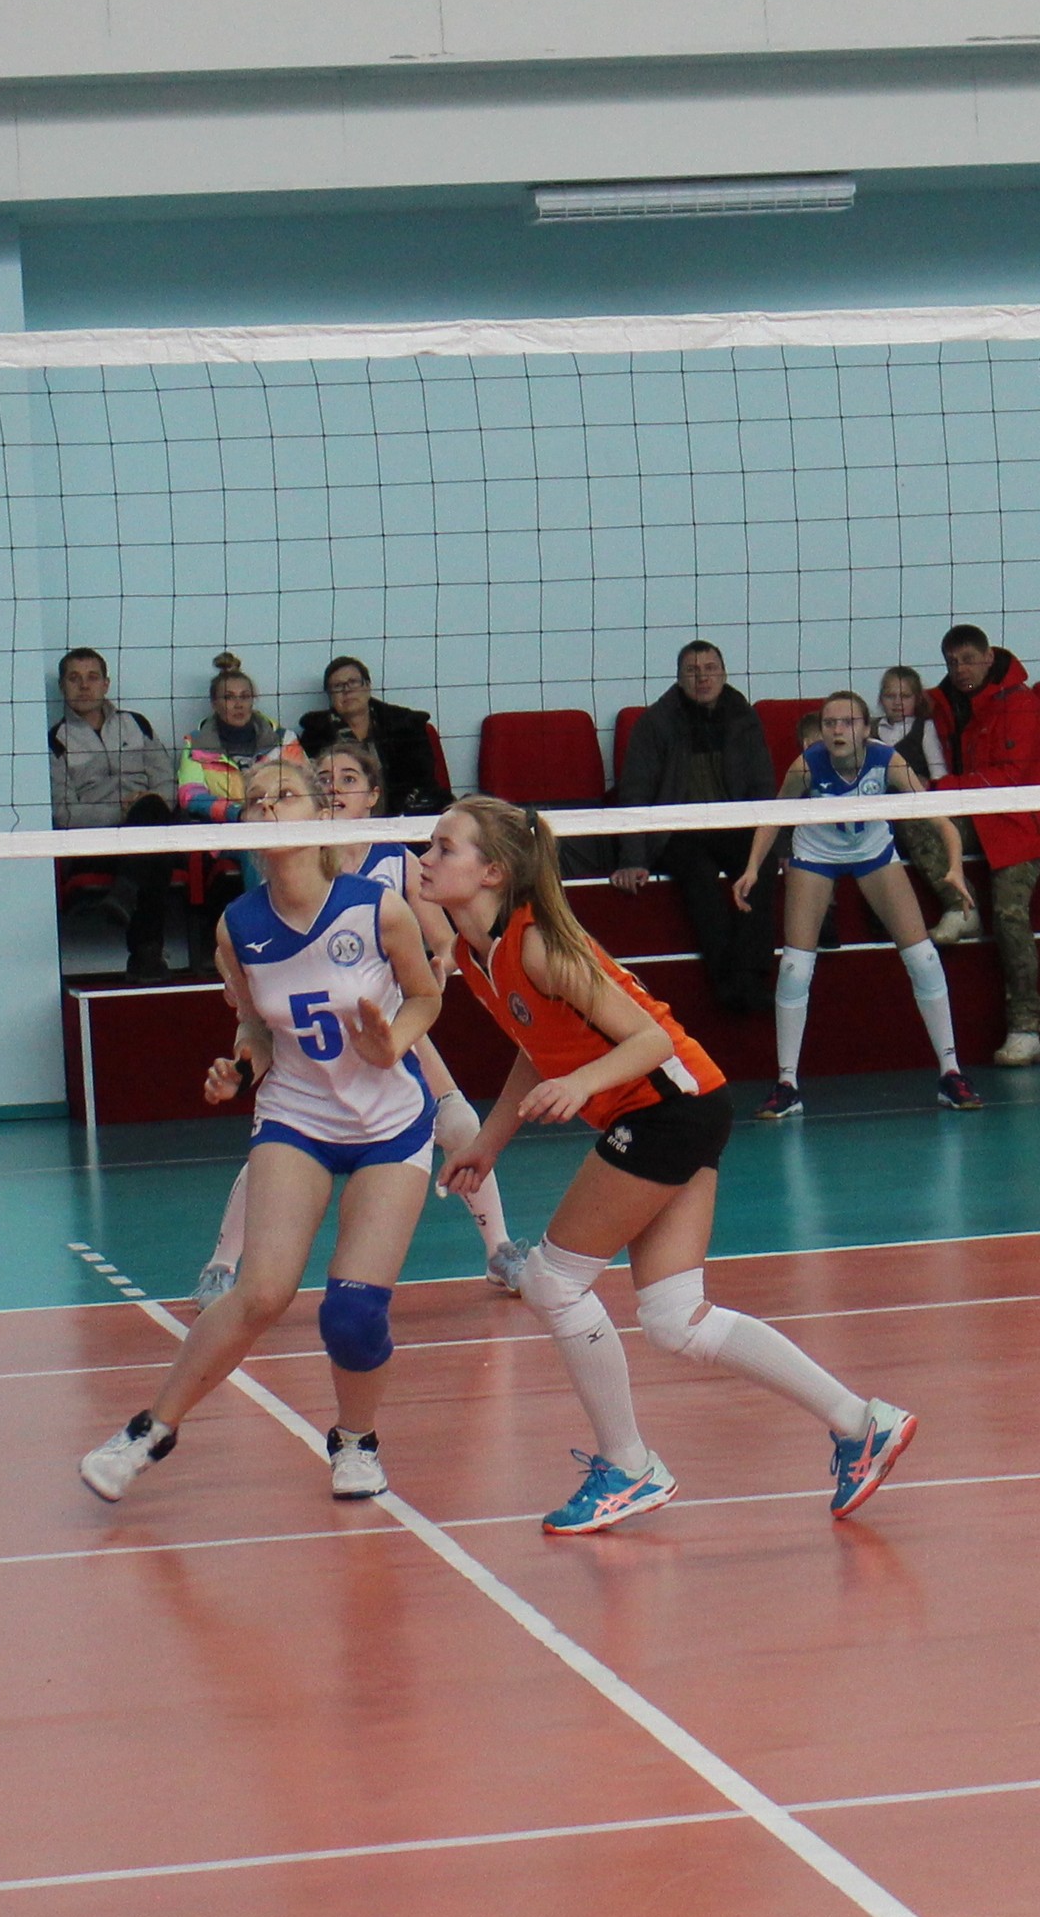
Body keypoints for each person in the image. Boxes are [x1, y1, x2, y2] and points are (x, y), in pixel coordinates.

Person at [419, 794, 916, 1534]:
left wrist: (582, 1084)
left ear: (493, 871)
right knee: (674, 1318)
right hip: (681, 1108)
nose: (425, 859)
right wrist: (489, 1142)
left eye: (443, 848)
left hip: (669, 1108)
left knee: (552, 1281)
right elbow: (537, 1044)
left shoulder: (539, 945)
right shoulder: (475, 954)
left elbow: (650, 1041)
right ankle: (860, 1421)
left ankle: (629, 1467)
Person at [81, 757, 441, 1506]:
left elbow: (425, 995)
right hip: (298, 1115)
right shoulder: (237, 925)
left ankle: (356, 1441)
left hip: (389, 1122)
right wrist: (240, 1065)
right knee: (261, 1292)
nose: (267, 808)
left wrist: (393, 1043)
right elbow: (254, 1024)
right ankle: (150, 1430)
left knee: (352, 1312)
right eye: (254, 801)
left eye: (283, 796)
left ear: (319, 815)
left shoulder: (378, 909)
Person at [191, 735, 525, 1304]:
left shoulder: (396, 863)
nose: (336, 788)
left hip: (384, 1023)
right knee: (278, 1148)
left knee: (458, 1122)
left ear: (371, 796)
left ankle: (500, 1250)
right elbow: (249, 1005)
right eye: (326, 778)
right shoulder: (275, 883)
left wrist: (439, 965)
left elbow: (442, 947)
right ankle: (223, 1264)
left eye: (349, 779)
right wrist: (245, 1046)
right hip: (307, 1046)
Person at [734, 693, 979, 1119]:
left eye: (847, 723)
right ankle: (787, 1084)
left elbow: (941, 819)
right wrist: (753, 867)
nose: (837, 731)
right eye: (830, 723)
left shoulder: (888, 761)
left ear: (866, 729)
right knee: (794, 967)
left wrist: (955, 868)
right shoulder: (807, 765)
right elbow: (773, 815)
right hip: (815, 855)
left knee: (923, 958)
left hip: (873, 853)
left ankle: (950, 1073)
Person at [611, 641, 777, 1013]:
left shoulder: (745, 719)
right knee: (698, 874)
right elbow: (635, 792)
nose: (702, 677)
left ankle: (750, 976)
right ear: (679, 678)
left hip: (734, 825)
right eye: (692, 670)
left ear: (724, 673)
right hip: (677, 831)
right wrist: (632, 858)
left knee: (762, 866)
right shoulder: (655, 723)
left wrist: (778, 847)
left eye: (710, 669)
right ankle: (726, 981)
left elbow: (764, 788)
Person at [926, 625, 1040, 1065]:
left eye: (968, 659)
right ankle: (960, 905)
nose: (960, 669)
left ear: (989, 657)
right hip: (975, 813)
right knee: (917, 817)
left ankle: (1026, 1028)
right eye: (952, 662)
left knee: (1010, 917)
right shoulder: (943, 706)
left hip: (1020, 821)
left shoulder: (1022, 704)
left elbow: (1012, 778)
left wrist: (946, 787)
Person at [48, 646, 178, 979]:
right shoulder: (55, 741)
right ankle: (146, 954)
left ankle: (125, 894)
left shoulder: (137, 724)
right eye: (74, 678)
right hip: (101, 842)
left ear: (106, 684)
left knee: (154, 821)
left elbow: (167, 783)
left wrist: (145, 807)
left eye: (92, 677)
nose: (84, 685)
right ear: (62, 686)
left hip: (151, 821)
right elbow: (65, 814)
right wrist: (123, 813)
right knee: (155, 847)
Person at [877, 666, 980, 942]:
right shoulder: (872, 731)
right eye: (890, 696)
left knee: (917, 828)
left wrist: (925, 786)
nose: (897, 702)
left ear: (917, 699)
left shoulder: (924, 727)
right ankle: (885, 917)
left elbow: (939, 775)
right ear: (881, 699)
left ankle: (961, 907)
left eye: (905, 696)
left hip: (918, 809)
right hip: (882, 813)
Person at [296, 655, 451, 816]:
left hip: (401, 817)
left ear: (368, 686)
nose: (347, 690)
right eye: (337, 686)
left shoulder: (406, 726)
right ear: (330, 696)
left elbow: (424, 782)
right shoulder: (315, 735)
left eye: (353, 682)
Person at [174, 653, 297, 821]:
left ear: (253, 700)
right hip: (221, 830)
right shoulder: (195, 743)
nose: (239, 705)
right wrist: (236, 813)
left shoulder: (284, 739)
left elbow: (305, 787)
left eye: (245, 697)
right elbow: (190, 795)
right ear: (214, 703)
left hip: (277, 824)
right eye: (229, 697)